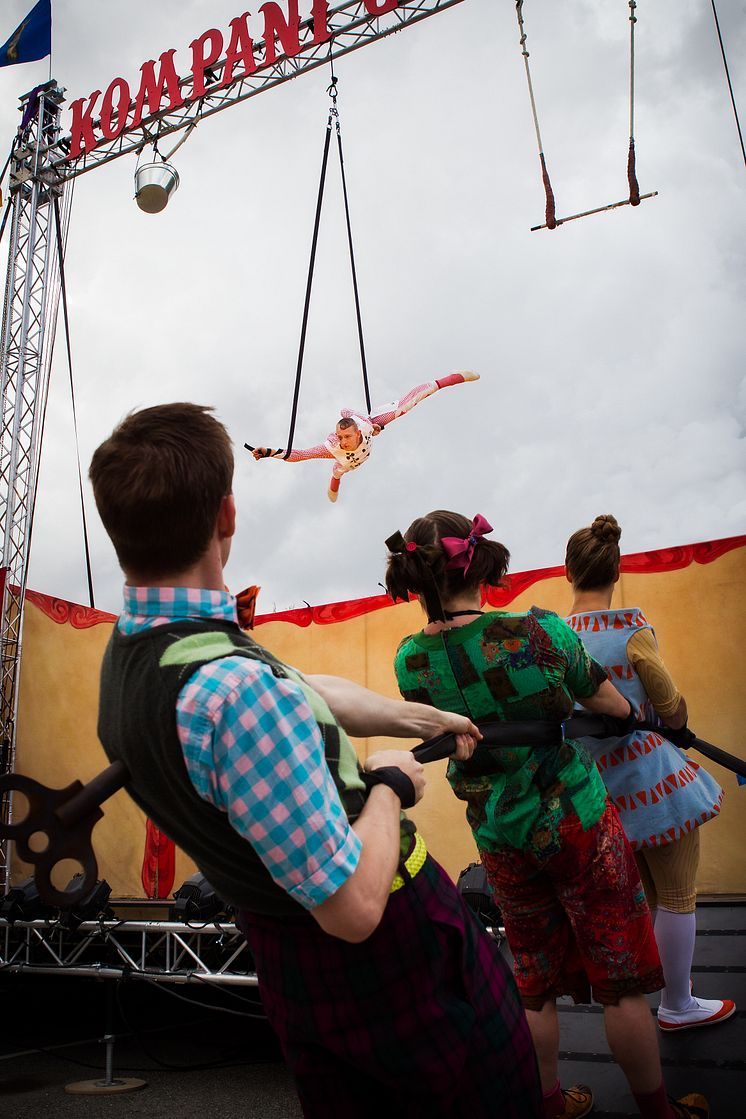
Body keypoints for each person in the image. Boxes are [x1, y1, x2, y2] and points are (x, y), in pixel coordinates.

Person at [88, 403, 543, 1119]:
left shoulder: (141, 651)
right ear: (227, 515)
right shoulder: (233, 695)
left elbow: (293, 689)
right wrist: (390, 783)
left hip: (295, 966)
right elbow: (353, 907)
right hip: (392, 963)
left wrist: (422, 716)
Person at [385, 509, 709, 1119]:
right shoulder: (538, 632)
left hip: (499, 833)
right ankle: (660, 1111)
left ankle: (551, 1104)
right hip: (577, 821)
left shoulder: (412, 662)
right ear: (480, 562)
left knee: (532, 982)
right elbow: (608, 701)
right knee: (622, 980)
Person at [565, 514, 734, 1034]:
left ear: (569, 572)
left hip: (595, 788)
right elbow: (669, 702)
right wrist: (676, 720)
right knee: (678, 895)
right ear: (616, 574)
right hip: (652, 779)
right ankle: (678, 1005)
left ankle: (647, 999)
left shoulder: (550, 637)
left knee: (644, 898)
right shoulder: (630, 630)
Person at [250, 371, 478, 502]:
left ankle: (452, 378)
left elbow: (350, 412)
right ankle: (335, 480)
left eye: (346, 436)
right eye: (340, 437)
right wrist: (269, 452)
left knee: (405, 406)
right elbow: (300, 455)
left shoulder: (365, 425)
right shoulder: (334, 447)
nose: (342, 441)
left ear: (356, 432)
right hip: (348, 461)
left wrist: (373, 427)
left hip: (365, 434)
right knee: (340, 468)